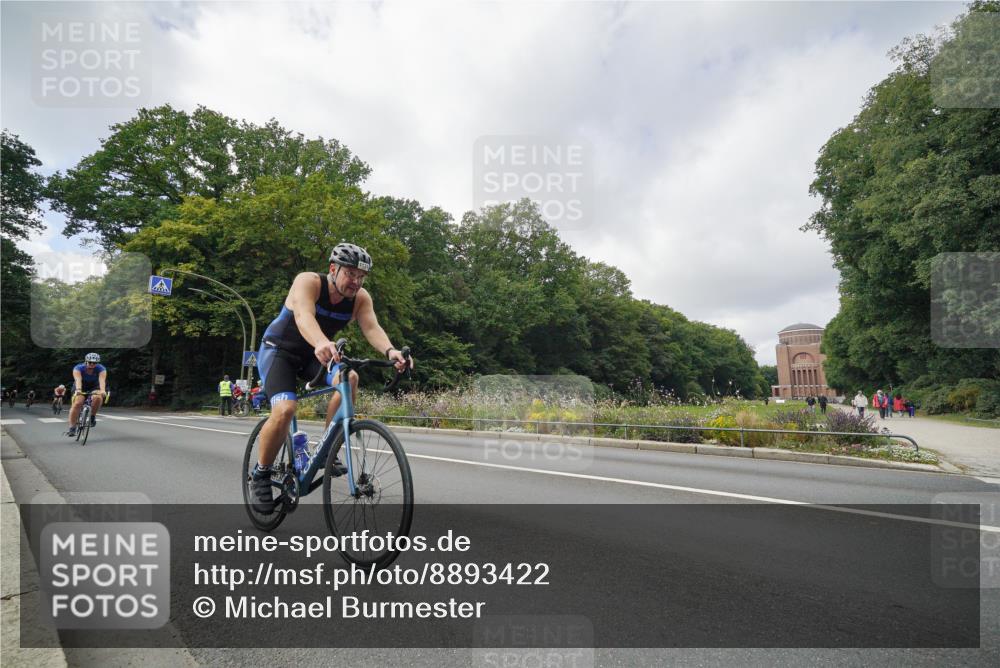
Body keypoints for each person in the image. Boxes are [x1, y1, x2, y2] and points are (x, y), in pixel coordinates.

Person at [251, 242, 412, 514]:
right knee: (285, 409)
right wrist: (321, 342)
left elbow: (372, 327)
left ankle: (328, 448)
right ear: (333, 269)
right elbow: (303, 315)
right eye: (351, 274)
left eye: (361, 277)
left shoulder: (360, 299)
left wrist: (391, 351)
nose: (356, 282)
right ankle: (261, 473)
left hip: (318, 354)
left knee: (349, 379)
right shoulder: (308, 282)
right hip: (280, 351)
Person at [67, 353, 107, 437]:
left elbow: (102, 380)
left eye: (94, 363)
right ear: (86, 361)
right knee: (78, 403)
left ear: (97, 363)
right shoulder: (78, 368)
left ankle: (92, 416)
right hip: (81, 385)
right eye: (90, 362)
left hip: (94, 386)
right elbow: (78, 379)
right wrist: (78, 390)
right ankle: (72, 428)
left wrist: (103, 390)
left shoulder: (101, 369)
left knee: (98, 398)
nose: (92, 364)